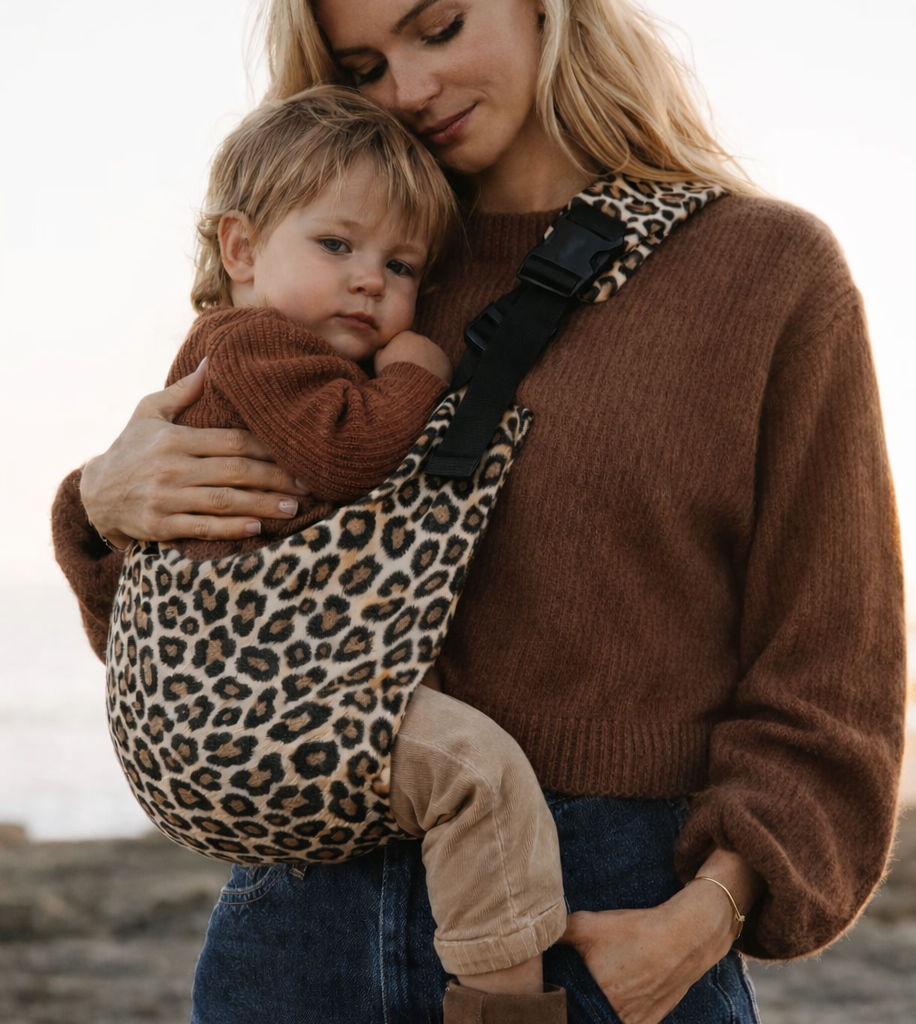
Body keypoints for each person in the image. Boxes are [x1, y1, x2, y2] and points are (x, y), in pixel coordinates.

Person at [50, 1, 907, 1022]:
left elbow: (832, 675)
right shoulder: (346, 265)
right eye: (362, 65)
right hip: (297, 926)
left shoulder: (763, 272)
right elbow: (205, 639)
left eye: (441, 27)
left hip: (598, 930)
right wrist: (100, 507)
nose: (407, 90)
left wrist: (703, 916)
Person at [91, 83, 569, 1020]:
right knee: (477, 777)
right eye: (336, 245)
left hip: (245, 706)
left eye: (400, 266)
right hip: (278, 707)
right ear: (240, 249)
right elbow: (349, 450)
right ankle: (504, 1000)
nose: (371, 281)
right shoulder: (248, 346)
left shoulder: (233, 354)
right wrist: (414, 373)